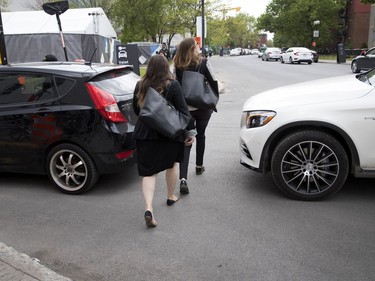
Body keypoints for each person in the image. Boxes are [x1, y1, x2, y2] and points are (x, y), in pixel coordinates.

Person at [132, 54, 196, 227]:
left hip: (145, 134)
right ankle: (170, 196)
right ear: (165, 68)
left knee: (148, 173)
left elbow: (136, 110)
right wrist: (190, 132)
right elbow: (184, 113)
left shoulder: (140, 85)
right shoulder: (173, 85)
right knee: (171, 165)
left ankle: (149, 208)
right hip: (169, 134)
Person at [173, 37, 218, 195]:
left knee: (187, 141)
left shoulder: (177, 65)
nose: (198, 47)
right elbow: (214, 80)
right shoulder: (204, 62)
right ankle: (199, 166)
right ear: (192, 48)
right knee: (202, 135)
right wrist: (213, 99)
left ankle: (183, 179)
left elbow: (174, 86)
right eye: (196, 45)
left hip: (186, 109)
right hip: (203, 107)